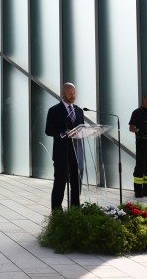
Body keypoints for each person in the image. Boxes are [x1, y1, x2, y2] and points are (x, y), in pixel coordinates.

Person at [44, 82, 84, 211]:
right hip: (62, 155)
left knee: (76, 185)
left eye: (74, 93)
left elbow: (81, 128)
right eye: (70, 93)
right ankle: (57, 213)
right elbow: (48, 130)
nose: (73, 96)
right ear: (63, 94)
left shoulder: (78, 110)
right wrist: (63, 132)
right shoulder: (54, 110)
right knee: (60, 185)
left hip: (77, 154)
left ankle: (75, 211)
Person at [129, 93, 147, 198]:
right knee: (140, 166)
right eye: (146, 100)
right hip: (142, 142)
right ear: (143, 100)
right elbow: (131, 128)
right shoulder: (136, 113)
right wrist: (138, 130)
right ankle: (138, 190)